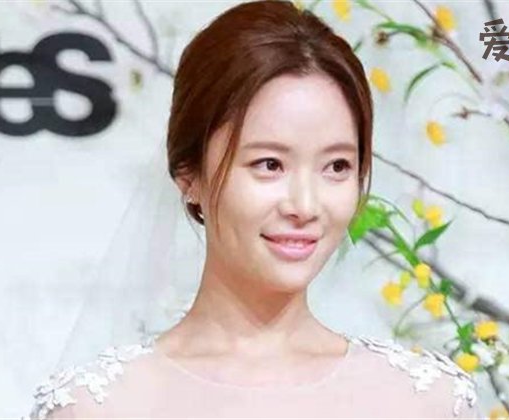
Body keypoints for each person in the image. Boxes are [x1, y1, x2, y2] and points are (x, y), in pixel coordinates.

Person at [25, 1, 478, 418]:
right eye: (269, 164)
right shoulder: (96, 406)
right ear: (189, 174)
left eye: (337, 166)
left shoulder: (427, 400)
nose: (305, 205)